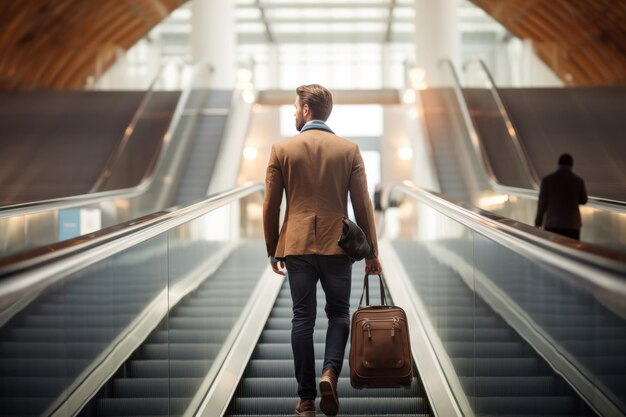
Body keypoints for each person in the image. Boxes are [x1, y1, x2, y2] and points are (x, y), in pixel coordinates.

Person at [263, 84, 382, 417]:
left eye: (294, 106)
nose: (292, 112)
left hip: (297, 246)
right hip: (337, 244)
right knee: (338, 314)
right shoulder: (348, 150)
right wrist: (372, 252)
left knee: (302, 318)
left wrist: (273, 248)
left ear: (305, 110)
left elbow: (270, 206)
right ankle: (329, 372)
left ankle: (305, 400)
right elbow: (363, 204)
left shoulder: (282, 149)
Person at [535, 153, 588, 240]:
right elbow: (583, 200)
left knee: (552, 250)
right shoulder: (578, 181)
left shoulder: (547, 180)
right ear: (571, 165)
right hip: (572, 225)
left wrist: (538, 222)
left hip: (553, 224)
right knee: (571, 250)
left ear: (558, 164)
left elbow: (542, 203)